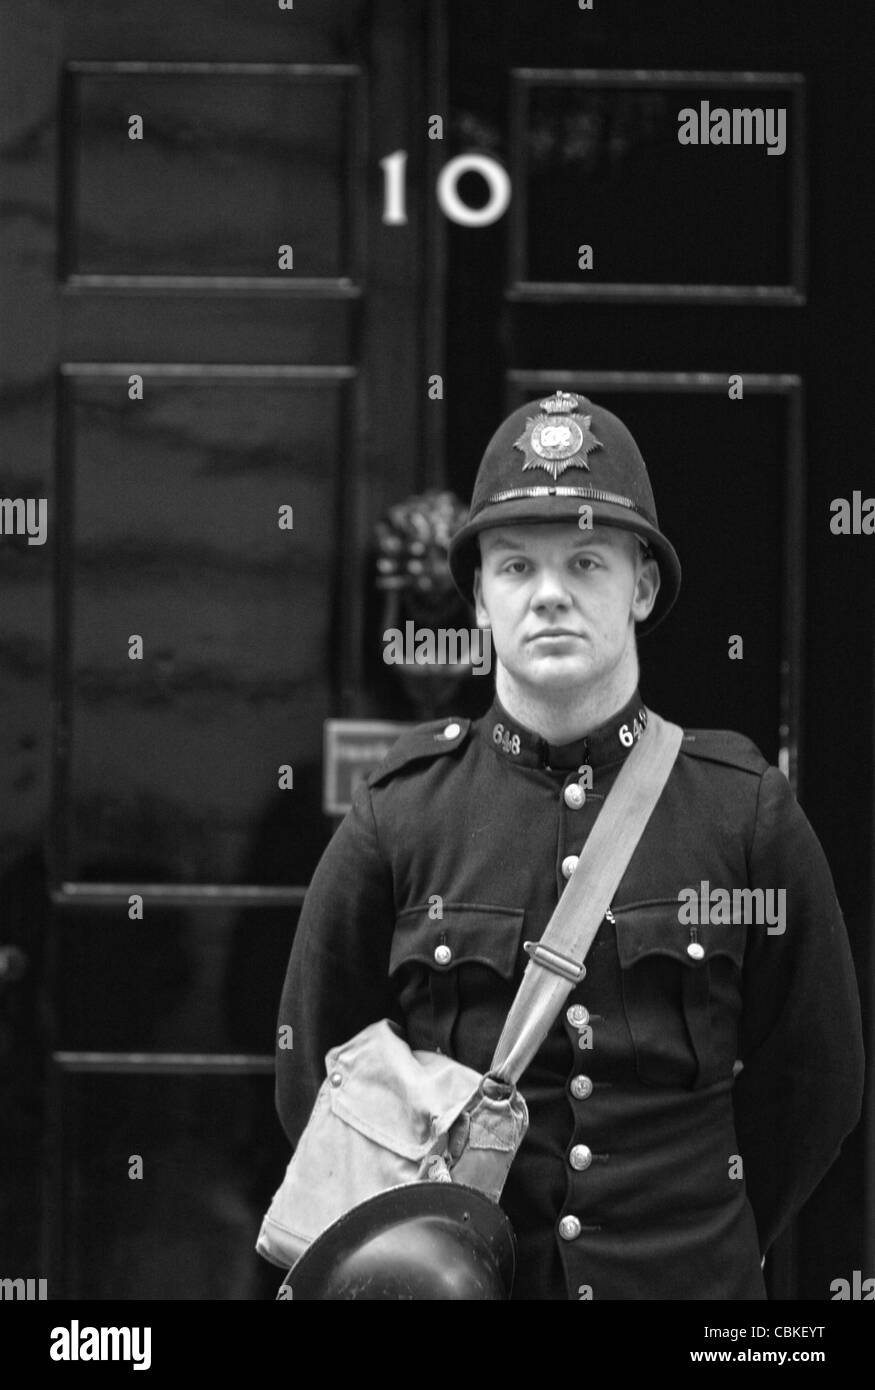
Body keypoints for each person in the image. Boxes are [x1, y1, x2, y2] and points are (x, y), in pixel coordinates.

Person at [274, 389, 864, 1300]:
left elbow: (815, 1081)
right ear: (475, 596)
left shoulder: (742, 812)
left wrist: (704, 1247)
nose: (549, 593)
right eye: (515, 567)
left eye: (585, 560)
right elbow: (313, 1073)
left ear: (642, 585)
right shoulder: (401, 815)